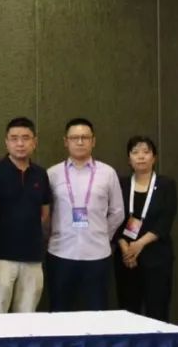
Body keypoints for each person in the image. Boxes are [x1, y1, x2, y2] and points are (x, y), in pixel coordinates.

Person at [46, 118, 124, 311]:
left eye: (85, 137)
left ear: (93, 141)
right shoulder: (52, 174)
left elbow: (117, 211)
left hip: (97, 255)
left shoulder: (108, 173)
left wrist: (102, 235)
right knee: (59, 312)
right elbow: (46, 212)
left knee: (97, 312)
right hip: (61, 253)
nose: (80, 142)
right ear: (66, 142)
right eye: (74, 138)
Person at [0, 117, 51, 313]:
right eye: (14, 138)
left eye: (26, 138)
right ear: (6, 142)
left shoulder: (40, 174)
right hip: (0, 256)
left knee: (27, 314)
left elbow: (45, 214)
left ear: (34, 142)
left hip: (33, 256)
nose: (20, 143)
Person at [114, 136, 177, 321]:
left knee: (157, 310)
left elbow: (166, 220)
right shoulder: (121, 184)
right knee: (127, 312)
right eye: (135, 152)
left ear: (154, 157)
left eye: (146, 152)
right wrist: (125, 248)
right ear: (129, 159)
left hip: (156, 257)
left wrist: (139, 244)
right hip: (126, 258)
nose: (141, 156)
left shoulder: (166, 184)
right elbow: (113, 218)